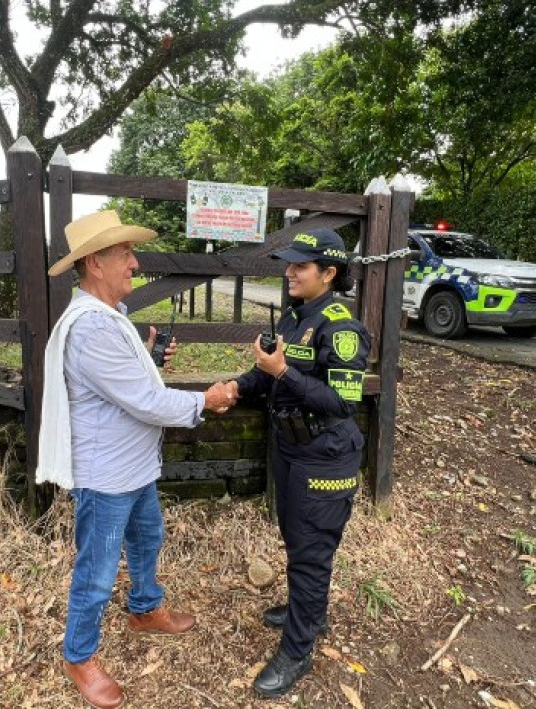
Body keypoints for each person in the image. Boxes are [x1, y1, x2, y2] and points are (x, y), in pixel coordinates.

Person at [37, 210, 233, 709]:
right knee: (97, 569)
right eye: (125, 254)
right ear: (96, 263)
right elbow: (145, 401)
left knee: (148, 535)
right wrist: (203, 402)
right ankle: (79, 656)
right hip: (107, 475)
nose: (135, 262)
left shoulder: (111, 318)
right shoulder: (91, 329)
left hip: (133, 466)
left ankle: (144, 609)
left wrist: (146, 354)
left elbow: (127, 381)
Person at [223, 228, 370, 698]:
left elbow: (343, 401)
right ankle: (309, 608)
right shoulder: (294, 317)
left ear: (328, 274)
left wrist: (283, 372)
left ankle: (299, 647)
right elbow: (267, 372)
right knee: (295, 537)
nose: (289, 272)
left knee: (310, 553)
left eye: (300, 266)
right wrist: (235, 389)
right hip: (291, 452)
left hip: (325, 457)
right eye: (289, 264)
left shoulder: (342, 329)